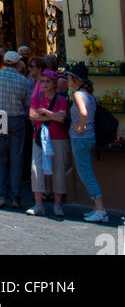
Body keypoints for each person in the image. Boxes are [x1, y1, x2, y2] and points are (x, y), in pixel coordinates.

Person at [0, 49, 29, 208]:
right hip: (17, 117)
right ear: (16, 63)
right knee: (16, 158)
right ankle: (15, 197)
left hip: (0, 116)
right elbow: (27, 103)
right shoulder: (23, 80)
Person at [66, 62, 108, 223]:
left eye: (69, 77)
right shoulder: (89, 94)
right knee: (87, 170)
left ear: (75, 79)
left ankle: (100, 209)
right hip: (89, 137)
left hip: (80, 138)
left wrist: (81, 125)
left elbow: (83, 112)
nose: (68, 80)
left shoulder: (78, 95)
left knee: (86, 173)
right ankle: (97, 208)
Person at [27, 69, 68, 218]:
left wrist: (44, 112)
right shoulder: (37, 97)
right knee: (36, 167)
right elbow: (32, 115)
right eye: (42, 81)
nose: (44, 84)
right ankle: (39, 203)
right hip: (39, 136)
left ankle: (57, 204)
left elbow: (61, 118)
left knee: (58, 168)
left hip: (58, 137)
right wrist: (52, 116)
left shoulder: (61, 99)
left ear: (54, 83)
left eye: (47, 81)